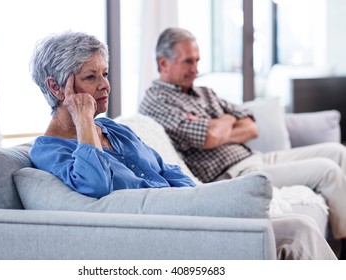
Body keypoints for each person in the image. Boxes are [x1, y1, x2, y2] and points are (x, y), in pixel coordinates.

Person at [29, 31, 336, 260]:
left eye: (105, 74)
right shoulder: (48, 149)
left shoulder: (114, 129)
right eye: (90, 76)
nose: (105, 85)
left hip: (188, 211)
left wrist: (201, 201)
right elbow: (94, 184)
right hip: (165, 231)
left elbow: (167, 169)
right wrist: (82, 119)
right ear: (56, 87)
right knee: (297, 230)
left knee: (299, 227)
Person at [138, 27, 346, 259]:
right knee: (327, 171)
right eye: (188, 62)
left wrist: (220, 123)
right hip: (235, 173)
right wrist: (226, 122)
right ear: (163, 63)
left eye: (197, 61)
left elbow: (251, 126)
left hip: (255, 157)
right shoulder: (156, 101)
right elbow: (209, 138)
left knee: (338, 152)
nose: (196, 69)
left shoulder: (204, 92)